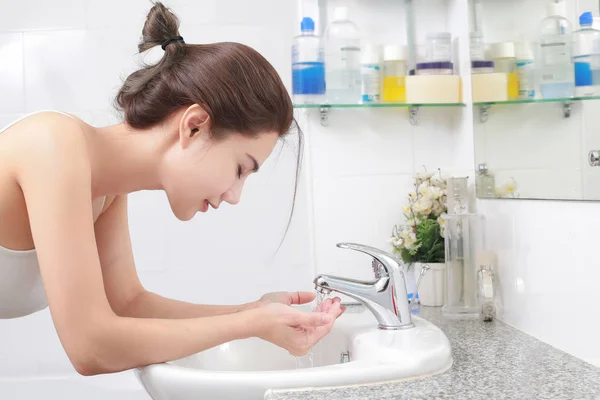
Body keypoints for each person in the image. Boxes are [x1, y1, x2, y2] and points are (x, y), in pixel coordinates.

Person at [0, 2, 344, 376]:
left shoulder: (106, 188)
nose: (234, 195)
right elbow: (91, 347)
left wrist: (253, 312)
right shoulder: (53, 145)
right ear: (193, 126)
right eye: (240, 168)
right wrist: (248, 326)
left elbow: (128, 304)